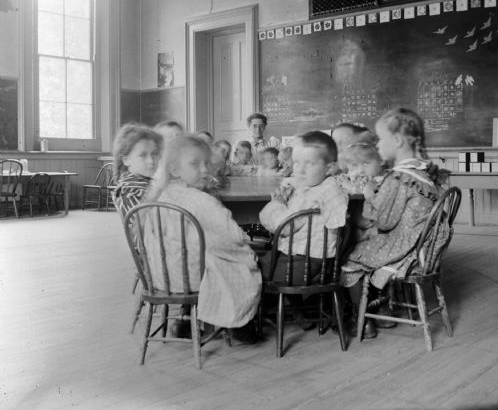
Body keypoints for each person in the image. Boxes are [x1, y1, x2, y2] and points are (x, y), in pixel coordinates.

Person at [340, 108, 448, 339]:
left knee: (349, 258)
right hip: (426, 247)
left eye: (381, 139)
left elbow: (384, 222)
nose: (377, 145)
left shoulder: (398, 178)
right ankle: (382, 308)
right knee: (366, 239)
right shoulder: (421, 170)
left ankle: (363, 319)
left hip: (406, 250)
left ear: (397, 141)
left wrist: (369, 193)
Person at [146, 135, 262, 343]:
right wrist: (246, 244)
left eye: (206, 164)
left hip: (161, 274)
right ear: (174, 169)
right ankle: (240, 322)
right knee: (242, 262)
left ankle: (186, 317)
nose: (204, 170)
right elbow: (230, 234)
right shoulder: (200, 200)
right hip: (189, 275)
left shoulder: (162, 194)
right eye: (195, 164)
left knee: (209, 249)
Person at [259, 131, 348, 329]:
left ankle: (255, 319)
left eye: (309, 164)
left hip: (303, 265)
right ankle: (300, 313)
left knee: (250, 265)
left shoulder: (310, 195)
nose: (300, 169)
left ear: (330, 167)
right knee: (272, 258)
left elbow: (281, 227)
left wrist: (277, 203)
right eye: (297, 163)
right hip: (326, 264)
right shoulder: (331, 186)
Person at [112, 124, 163, 218]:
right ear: (126, 160)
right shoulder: (129, 191)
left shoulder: (149, 182)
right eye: (143, 155)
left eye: (154, 154)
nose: (151, 161)